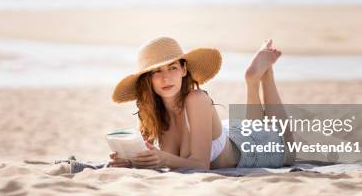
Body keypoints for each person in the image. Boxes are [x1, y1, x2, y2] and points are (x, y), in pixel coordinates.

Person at [109, 37, 295, 170]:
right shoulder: (152, 114)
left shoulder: (196, 99)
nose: (166, 78)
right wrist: (131, 162)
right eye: (156, 72)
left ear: (183, 70)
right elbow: (154, 160)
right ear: (147, 80)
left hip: (253, 150)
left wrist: (164, 158)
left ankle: (262, 77)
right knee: (255, 126)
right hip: (227, 133)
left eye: (172, 67)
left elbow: (200, 165)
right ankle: (256, 77)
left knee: (288, 152)